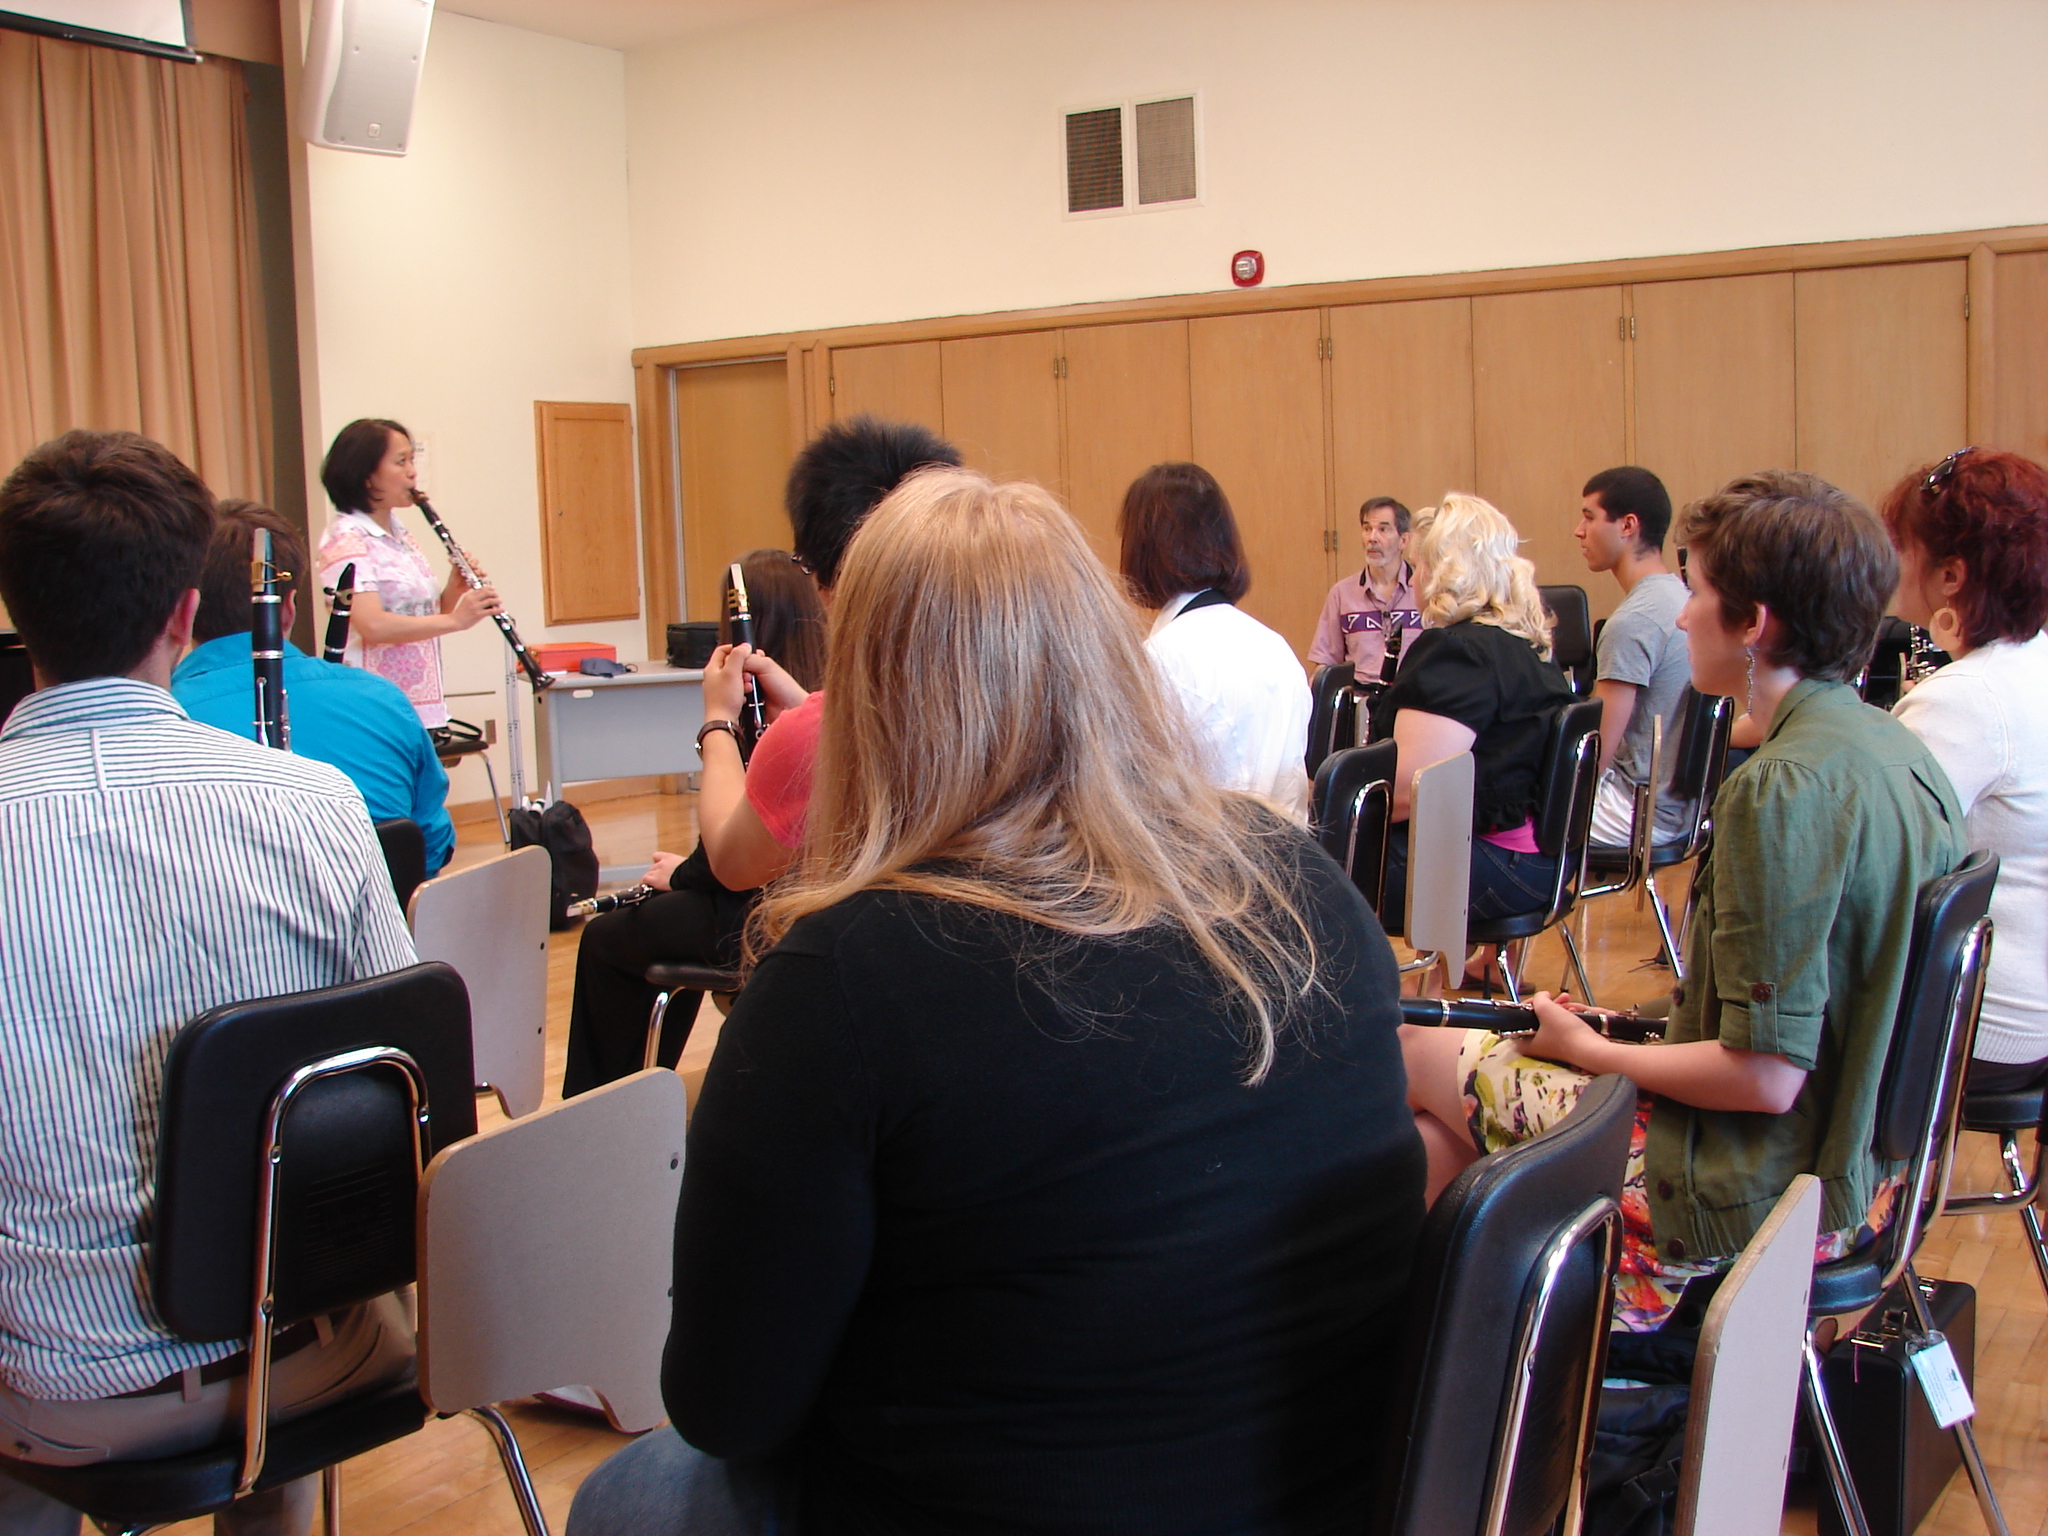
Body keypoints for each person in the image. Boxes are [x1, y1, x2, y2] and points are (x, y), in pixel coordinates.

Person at [566, 468, 1424, 1536]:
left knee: (630, 1497)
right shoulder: (1302, 882)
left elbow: (726, 1405)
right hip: (1336, 1495)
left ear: (864, 700)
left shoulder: (842, 977)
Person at [1402, 470, 1963, 1331]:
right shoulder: (1895, 750)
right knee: (1442, 1139)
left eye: (1697, 594)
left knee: (1412, 1050)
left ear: (1754, 624)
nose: (1681, 617)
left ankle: (1486, 1370)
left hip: (1748, 1186)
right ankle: (1492, 1370)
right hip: (1867, 1174)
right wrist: (1622, 1029)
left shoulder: (1780, 788)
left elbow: (1765, 1076)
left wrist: (1595, 1051)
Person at [0, 432, 419, 1536]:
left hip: (54, 1390)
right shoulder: (315, 804)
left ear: (18, 615)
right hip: (304, 1355)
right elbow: (408, 1083)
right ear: (186, 616)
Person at [561, 549, 825, 1097]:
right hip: (806, 894)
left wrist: (717, 722)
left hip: (783, 911)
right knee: (673, 913)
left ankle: (603, 1114)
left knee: (611, 938)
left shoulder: (778, 715)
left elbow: (733, 860)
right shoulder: (830, 697)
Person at [693, 414, 960, 896]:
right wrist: (807, 704)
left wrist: (718, 721)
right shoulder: (1030, 697)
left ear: (828, 581)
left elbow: (733, 863)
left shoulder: (816, 736)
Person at [1882, 447, 2048, 1091]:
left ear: (1950, 574)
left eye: (1905, 548)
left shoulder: (1966, 698)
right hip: (2031, 1004)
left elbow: (1874, 865)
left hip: (1980, 1023)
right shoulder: (2030, 659)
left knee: (1755, 1034)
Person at [172, 499, 456, 874]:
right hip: (383, 909)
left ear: (182, 609)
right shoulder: (384, 700)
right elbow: (430, 847)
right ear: (289, 607)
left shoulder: (163, 717)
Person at [1375, 493, 1574, 934]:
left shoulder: (1457, 652)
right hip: (1542, 864)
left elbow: (1409, 793)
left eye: (1417, 566)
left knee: (1301, 864)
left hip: (1494, 867)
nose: (1414, 578)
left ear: (1443, 570)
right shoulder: (1529, 647)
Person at [1118, 462, 1312, 822]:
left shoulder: (1160, 662)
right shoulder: (1277, 648)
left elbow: (1143, 808)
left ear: (1141, 550)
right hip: (1289, 850)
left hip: (1209, 852)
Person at [313, 418, 501, 728]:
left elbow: (422, 618)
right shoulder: (345, 537)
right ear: (366, 476)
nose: (412, 472)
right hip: (373, 705)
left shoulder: (400, 535)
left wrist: (453, 591)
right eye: (401, 462)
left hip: (419, 703)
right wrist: (457, 620)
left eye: (412, 460)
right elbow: (373, 625)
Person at [1575, 466, 1692, 847]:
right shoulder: (1679, 598)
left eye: (1589, 517)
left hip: (1636, 810)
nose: (1579, 531)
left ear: (1627, 525)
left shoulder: (1633, 622)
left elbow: (1594, 756)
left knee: (1499, 819)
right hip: (1678, 810)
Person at [1308, 494, 1422, 676]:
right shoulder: (1342, 593)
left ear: (1403, 541)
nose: (1372, 538)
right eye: (1367, 529)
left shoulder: (1424, 590)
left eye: (1383, 530)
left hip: (1412, 690)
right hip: (1359, 690)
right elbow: (1325, 663)